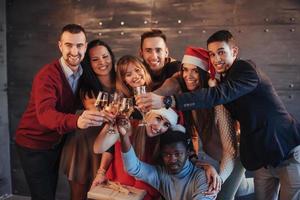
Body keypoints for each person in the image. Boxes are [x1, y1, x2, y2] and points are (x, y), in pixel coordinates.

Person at [136, 30, 300, 200]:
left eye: (221, 52)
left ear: (234, 52)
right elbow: (169, 91)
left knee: (223, 195)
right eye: (212, 54)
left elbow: (217, 97)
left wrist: (167, 101)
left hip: (282, 149)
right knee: (242, 189)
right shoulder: (192, 88)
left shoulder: (243, 70)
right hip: (260, 158)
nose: (188, 76)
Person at [15, 24, 106, 200]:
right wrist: (77, 121)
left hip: (55, 142)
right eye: (68, 45)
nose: (74, 51)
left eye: (79, 46)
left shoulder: (83, 72)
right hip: (33, 144)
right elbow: (45, 115)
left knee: (51, 191)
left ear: (85, 46)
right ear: (60, 46)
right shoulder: (47, 76)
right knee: (43, 196)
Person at [60, 39, 115, 200]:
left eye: (105, 57)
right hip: (84, 145)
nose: (102, 62)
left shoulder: (123, 81)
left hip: (110, 146)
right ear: (88, 63)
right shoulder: (87, 87)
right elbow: (99, 111)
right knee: (79, 195)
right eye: (95, 59)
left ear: (111, 57)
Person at [92, 108, 183, 200]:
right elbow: (102, 148)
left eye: (166, 125)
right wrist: (101, 172)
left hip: (145, 194)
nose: (158, 127)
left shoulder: (165, 141)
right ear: (148, 114)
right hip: (116, 187)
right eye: (158, 119)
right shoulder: (129, 126)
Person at [118, 122, 216, 200]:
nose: (172, 159)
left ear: (188, 153)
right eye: (167, 154)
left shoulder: (203, 177)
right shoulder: (161, 174)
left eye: (178, 154)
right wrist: (124, 136)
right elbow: (133, 167)